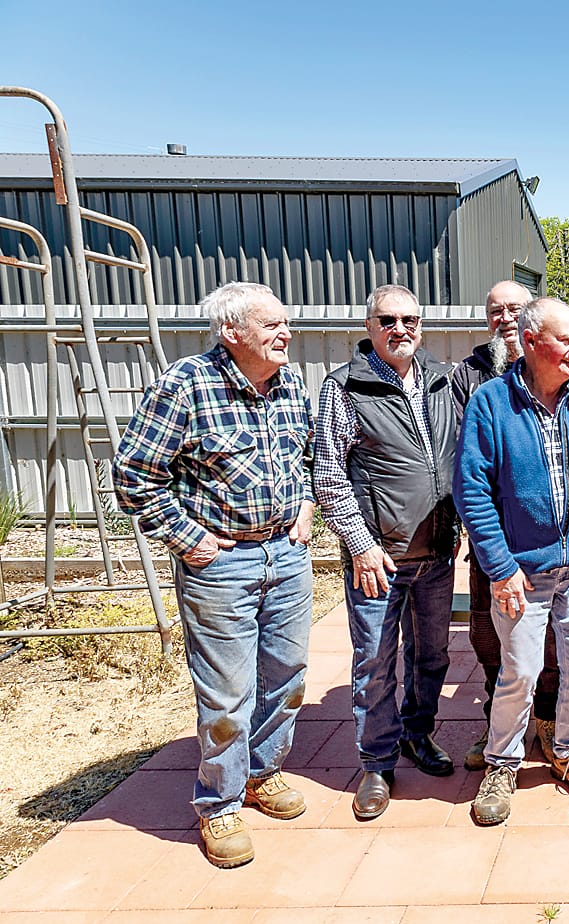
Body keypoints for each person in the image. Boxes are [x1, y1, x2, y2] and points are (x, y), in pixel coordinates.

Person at [114, 282, 315, 869]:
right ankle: (219, 804)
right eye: (272, 325)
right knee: (227, 692)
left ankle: (262, 773)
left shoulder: (290, 385)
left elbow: (306, 455)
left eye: (285, 323)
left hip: (287, 555)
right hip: (221, 565)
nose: (285, 334)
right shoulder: (185, 385)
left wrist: (306, 506)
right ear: (232, 332)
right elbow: (133, 474)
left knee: (288, 677)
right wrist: (188, 538)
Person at [455, 297, 569, 825]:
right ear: (531, 342)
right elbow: (471, 490)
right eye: (566, 340)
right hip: (521, 574)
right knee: (519, 672)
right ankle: (502, 762)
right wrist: (500, 567)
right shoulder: (491, 402)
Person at [314, 284, 458, 822]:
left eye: (410, 320)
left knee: (432, 656)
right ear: (369, 327)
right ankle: (376, 763)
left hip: (436, 551)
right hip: (379, 557)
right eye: (388, 320)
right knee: (375, 663)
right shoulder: (345, 387)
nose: (401, 329)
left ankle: (418, 734)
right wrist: (361, 545)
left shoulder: (442, 380)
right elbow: (328, 473)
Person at [450, 280, 561, 773]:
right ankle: (501, 723)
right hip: (491, 536)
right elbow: (461, 455)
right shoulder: (468, 376)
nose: (506, 318)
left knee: (551, 637)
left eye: (515, 308)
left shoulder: (557, 370)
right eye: (496, 311)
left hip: (547, 538)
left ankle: (549, 720)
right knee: (487, 632)